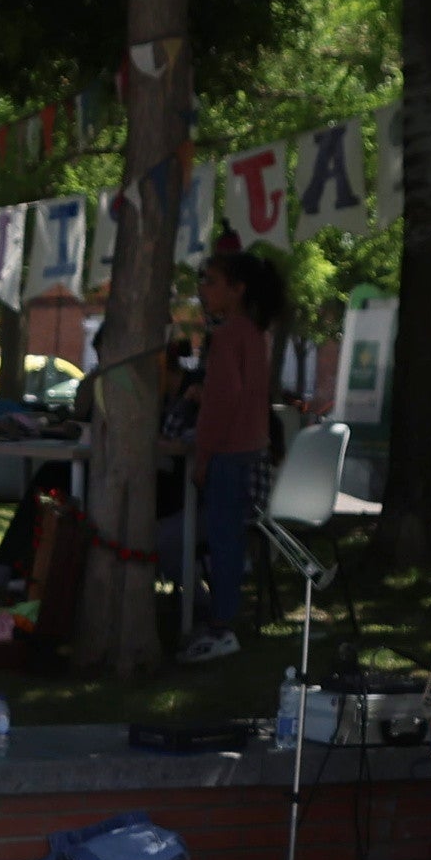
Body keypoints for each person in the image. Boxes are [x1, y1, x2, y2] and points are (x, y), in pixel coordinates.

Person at [181, 240, 287, 661]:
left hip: (229, 452)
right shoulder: (255, 334)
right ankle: (223, 618)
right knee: (231, 541)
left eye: (211, 281)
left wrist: (204, 453)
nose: (204, 289)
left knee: (224, 541)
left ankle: (222, 627)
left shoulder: (228, 336)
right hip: (250, 449)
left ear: (237, 289)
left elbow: (222, 400)